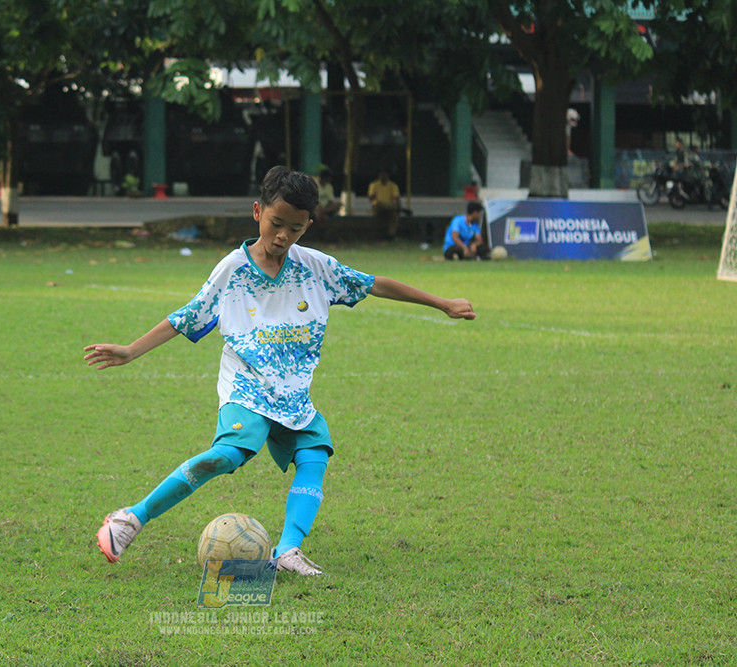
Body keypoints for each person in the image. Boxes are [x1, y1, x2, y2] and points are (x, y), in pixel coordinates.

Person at [86, 166, 476, 576]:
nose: (283, 237)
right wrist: (131, 350)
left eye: (296, 228)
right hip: (246, 387)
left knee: (315, 451)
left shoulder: (315, 267)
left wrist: (442, 303)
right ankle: (130, 518)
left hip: (292, 395)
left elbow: (375, 283)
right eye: (276, 224)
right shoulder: (232, 270)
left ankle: (287, 551)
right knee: (228, 455)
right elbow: (186, 317)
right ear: (257, 212)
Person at [368, 169, 401, 239]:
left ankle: (391, 234)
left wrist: (395, 204)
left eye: (385, 174)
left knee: (395, 215)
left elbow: (396, 198)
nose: (383, 176)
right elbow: (371, 197)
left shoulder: (393, 185)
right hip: (378, 207)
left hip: (390, 208)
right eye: (382, 174)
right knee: (381, 205)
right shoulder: (374, 185)